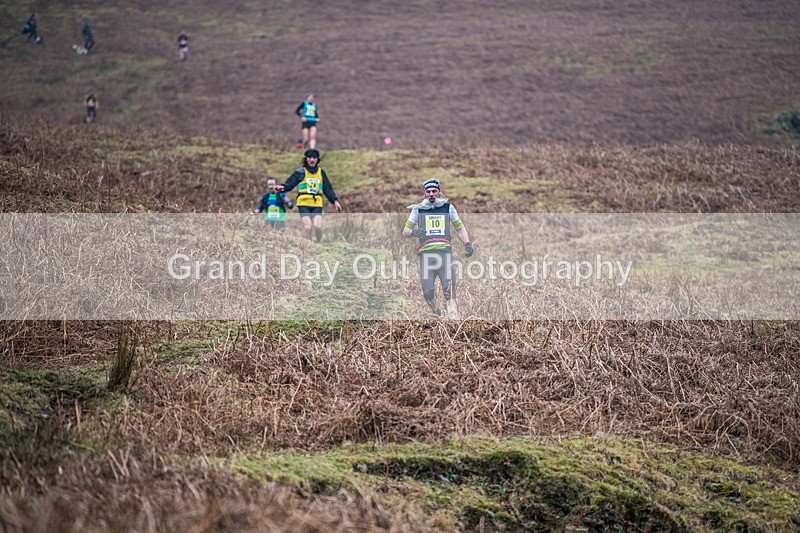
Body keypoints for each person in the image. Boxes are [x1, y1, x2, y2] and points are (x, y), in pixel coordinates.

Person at [403, 179, 474, 320]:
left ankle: (455, 325)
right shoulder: (418, 209)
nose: (431, 194)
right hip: (426, 258)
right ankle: (437, 313)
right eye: (428, 192)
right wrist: (414, 232)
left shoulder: (448, 208)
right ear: (424, 194)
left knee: (450, 293)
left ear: (439, 192)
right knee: (428, 293)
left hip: (444, 256)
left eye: (434, 191)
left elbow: (459, 228)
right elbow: (405, 231)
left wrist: (467, 244)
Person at [275, 149, 341, 242]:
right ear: (306, 159)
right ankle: (305, 246)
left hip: (316, 203)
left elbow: (327, 189)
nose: (312, 159)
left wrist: (335, 201)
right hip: (303, 203)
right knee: (308, 227)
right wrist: (283, 187)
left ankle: (319, 244)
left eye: (314, 157)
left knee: (318, 227)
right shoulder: (300, 172)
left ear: (317, 159)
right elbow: (290, 184)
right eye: (310, 157)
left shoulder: (321, 173)